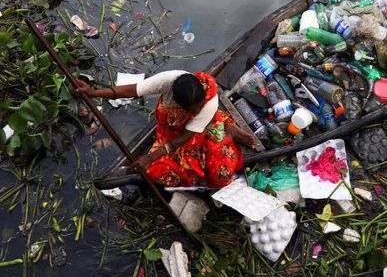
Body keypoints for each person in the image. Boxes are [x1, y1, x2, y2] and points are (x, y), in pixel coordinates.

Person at [75, 70, 258, 188]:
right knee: (155, 171)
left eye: (198, 107)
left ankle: (228, 128)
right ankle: (225, 125)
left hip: (191, 134)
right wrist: (93, 92)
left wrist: (151, 156)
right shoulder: (168, 81)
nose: (196, 111)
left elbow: (184, 138)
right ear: (179, 105)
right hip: (170, 133)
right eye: (192, 110)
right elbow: (132, 90)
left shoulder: (209, 102)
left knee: (219, 175)